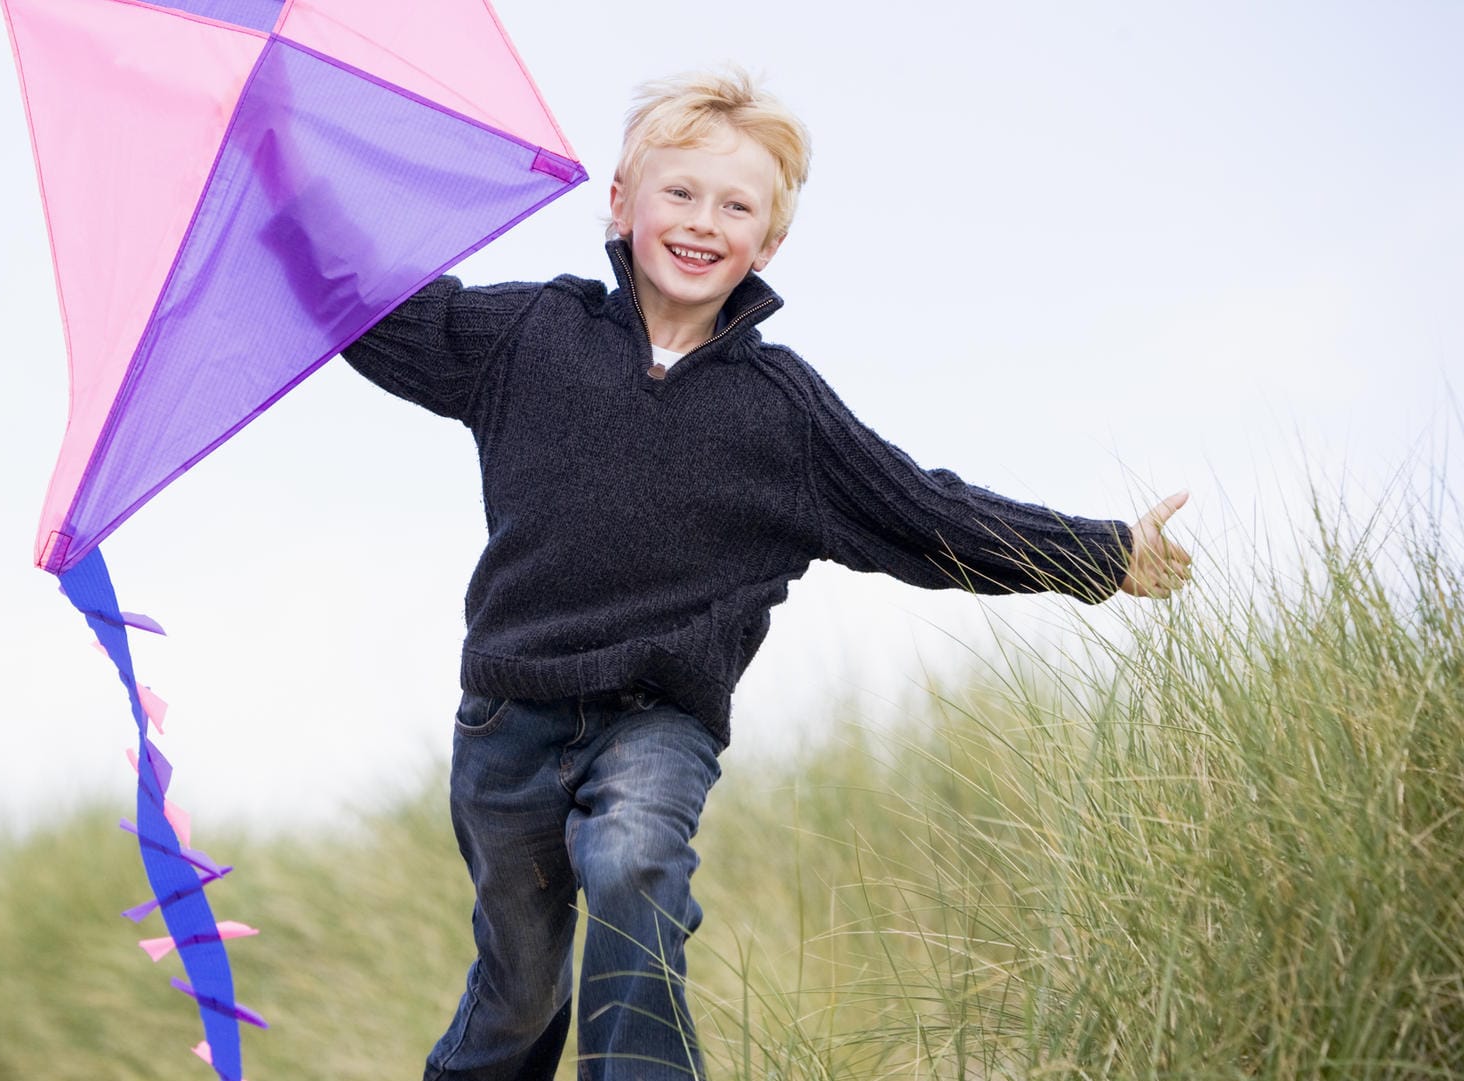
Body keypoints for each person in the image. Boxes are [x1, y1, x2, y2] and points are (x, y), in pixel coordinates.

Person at [339, 68, 1192, 1081]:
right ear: (620, 204)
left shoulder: (782, 414)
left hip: (657, 719)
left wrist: (1100, 554)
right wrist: (272, 188)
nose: (703, 222)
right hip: (506, 721)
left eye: (736, 206)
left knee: (632, 862)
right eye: (680, 193)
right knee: (521, 984)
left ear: (769, 242)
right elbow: (372, 309)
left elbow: (923, 510)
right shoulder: (527, 337)